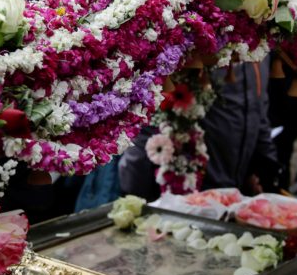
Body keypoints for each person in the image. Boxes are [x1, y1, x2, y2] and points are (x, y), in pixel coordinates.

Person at [120, 59, 281, 198]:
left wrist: (267, 166)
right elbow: (149, 115)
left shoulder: (260, 44)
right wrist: (134, 193)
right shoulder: (198, 39)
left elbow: (259, 111)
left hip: (237, 187)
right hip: (190, 186)